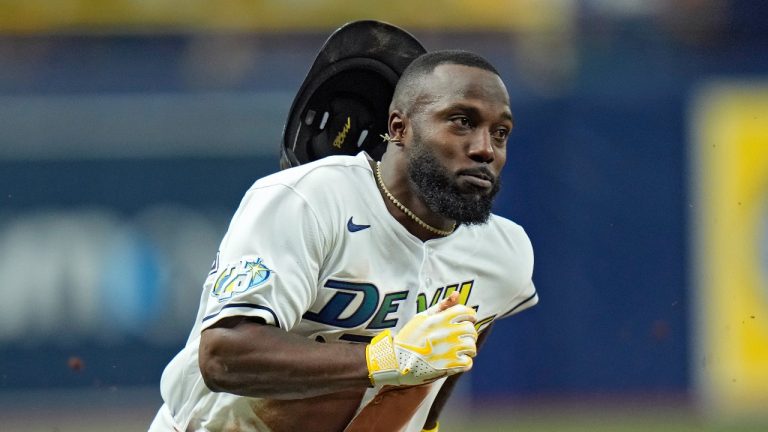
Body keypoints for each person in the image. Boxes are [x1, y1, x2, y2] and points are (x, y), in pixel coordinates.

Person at [149, 49, 538, 432]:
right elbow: (223, 356)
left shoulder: (503, 255)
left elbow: (449, 362)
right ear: (400, 128)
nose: (485, 148)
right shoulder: (308, 200)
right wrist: (390, 357)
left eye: (500, 133)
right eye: (461, 121)